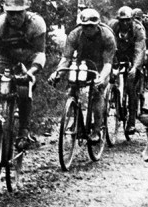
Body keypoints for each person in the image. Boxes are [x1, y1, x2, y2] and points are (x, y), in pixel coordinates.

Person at [0, 0, 47, 150]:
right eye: (10, 13)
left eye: (18, 13)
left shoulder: (37, 24)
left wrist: (31, 71)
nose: (14, 17)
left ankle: (23, 131)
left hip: (28, 58)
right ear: (5, 12)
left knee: (24, 88)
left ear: (26, 11)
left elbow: (40, 53)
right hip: (6, 57)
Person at [49, 8, 116, 143]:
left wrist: (101, 78)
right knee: (72, 89)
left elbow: (108, 63)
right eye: (85, 26)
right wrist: (57, 73)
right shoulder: (75, 34)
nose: (88, 29)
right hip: (82, 65)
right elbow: (66, 58)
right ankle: (77, 122)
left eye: (91, 26)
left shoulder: (107, 36)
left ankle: (96, 130)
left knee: (98, 92)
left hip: (100, 66)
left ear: (97, 25)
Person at [109, 6, 146, 135]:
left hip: (133, 57)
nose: (124, 23)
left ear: (131, 20)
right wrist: (111, 64)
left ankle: (131, 122)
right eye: (122, 20)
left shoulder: (138, 29)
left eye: (127, 20)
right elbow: (109, 46)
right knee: (110, 79)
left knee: (131, 87)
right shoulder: (112, 27)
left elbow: (139, 49)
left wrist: (135, 67)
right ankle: (112, 100)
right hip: (118, 55)